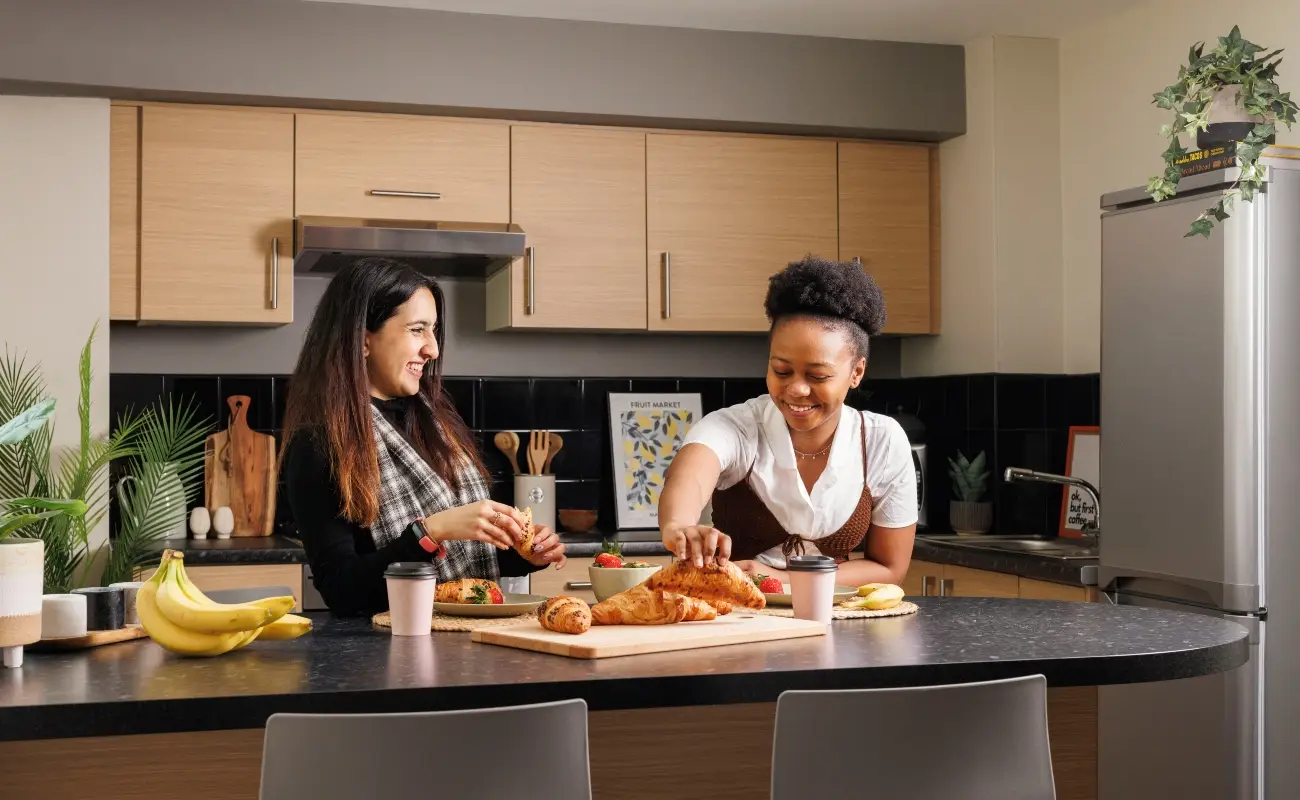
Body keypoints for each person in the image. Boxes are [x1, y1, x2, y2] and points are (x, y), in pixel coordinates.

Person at [281, 257, 566, 616]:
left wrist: (522, 554)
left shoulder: (436, 423)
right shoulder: (319, 442)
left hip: (472, 643)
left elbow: (464, 563)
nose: (432, 349)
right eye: (418, 329)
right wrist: (429, 532)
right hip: (388, 657)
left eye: (433, 330)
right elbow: (343, 591)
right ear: (363, 339)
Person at [657, 255, 916, 586]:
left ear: (856, 372)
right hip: (737, 619)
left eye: (818, 375)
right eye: (781, 370)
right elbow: (689, 478)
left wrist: (782, 577)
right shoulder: (735, 426)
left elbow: (890, 569)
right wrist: (678, 526)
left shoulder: (882, 441)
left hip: (838, 620)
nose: (796, 389)